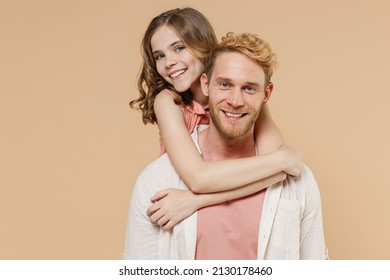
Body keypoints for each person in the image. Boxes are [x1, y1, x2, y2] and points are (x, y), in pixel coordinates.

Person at [124, 32, 328, 260]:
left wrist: (193, 201)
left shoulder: (298, 183)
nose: (235, 100)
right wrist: (285, 161)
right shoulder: (157, 182)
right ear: (206, 84)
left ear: (266, 94)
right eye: (225, 84)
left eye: (249, 88)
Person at [129, 7, 302, 231]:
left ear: (203, 45)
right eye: (159, 56)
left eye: (179, 48)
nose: (169, 62)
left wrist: (194, 201)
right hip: (177, 206)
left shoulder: (243, 98)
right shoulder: (167, 102)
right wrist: (285, 160)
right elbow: (198, 178)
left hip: (236, 209)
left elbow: (275, 172)